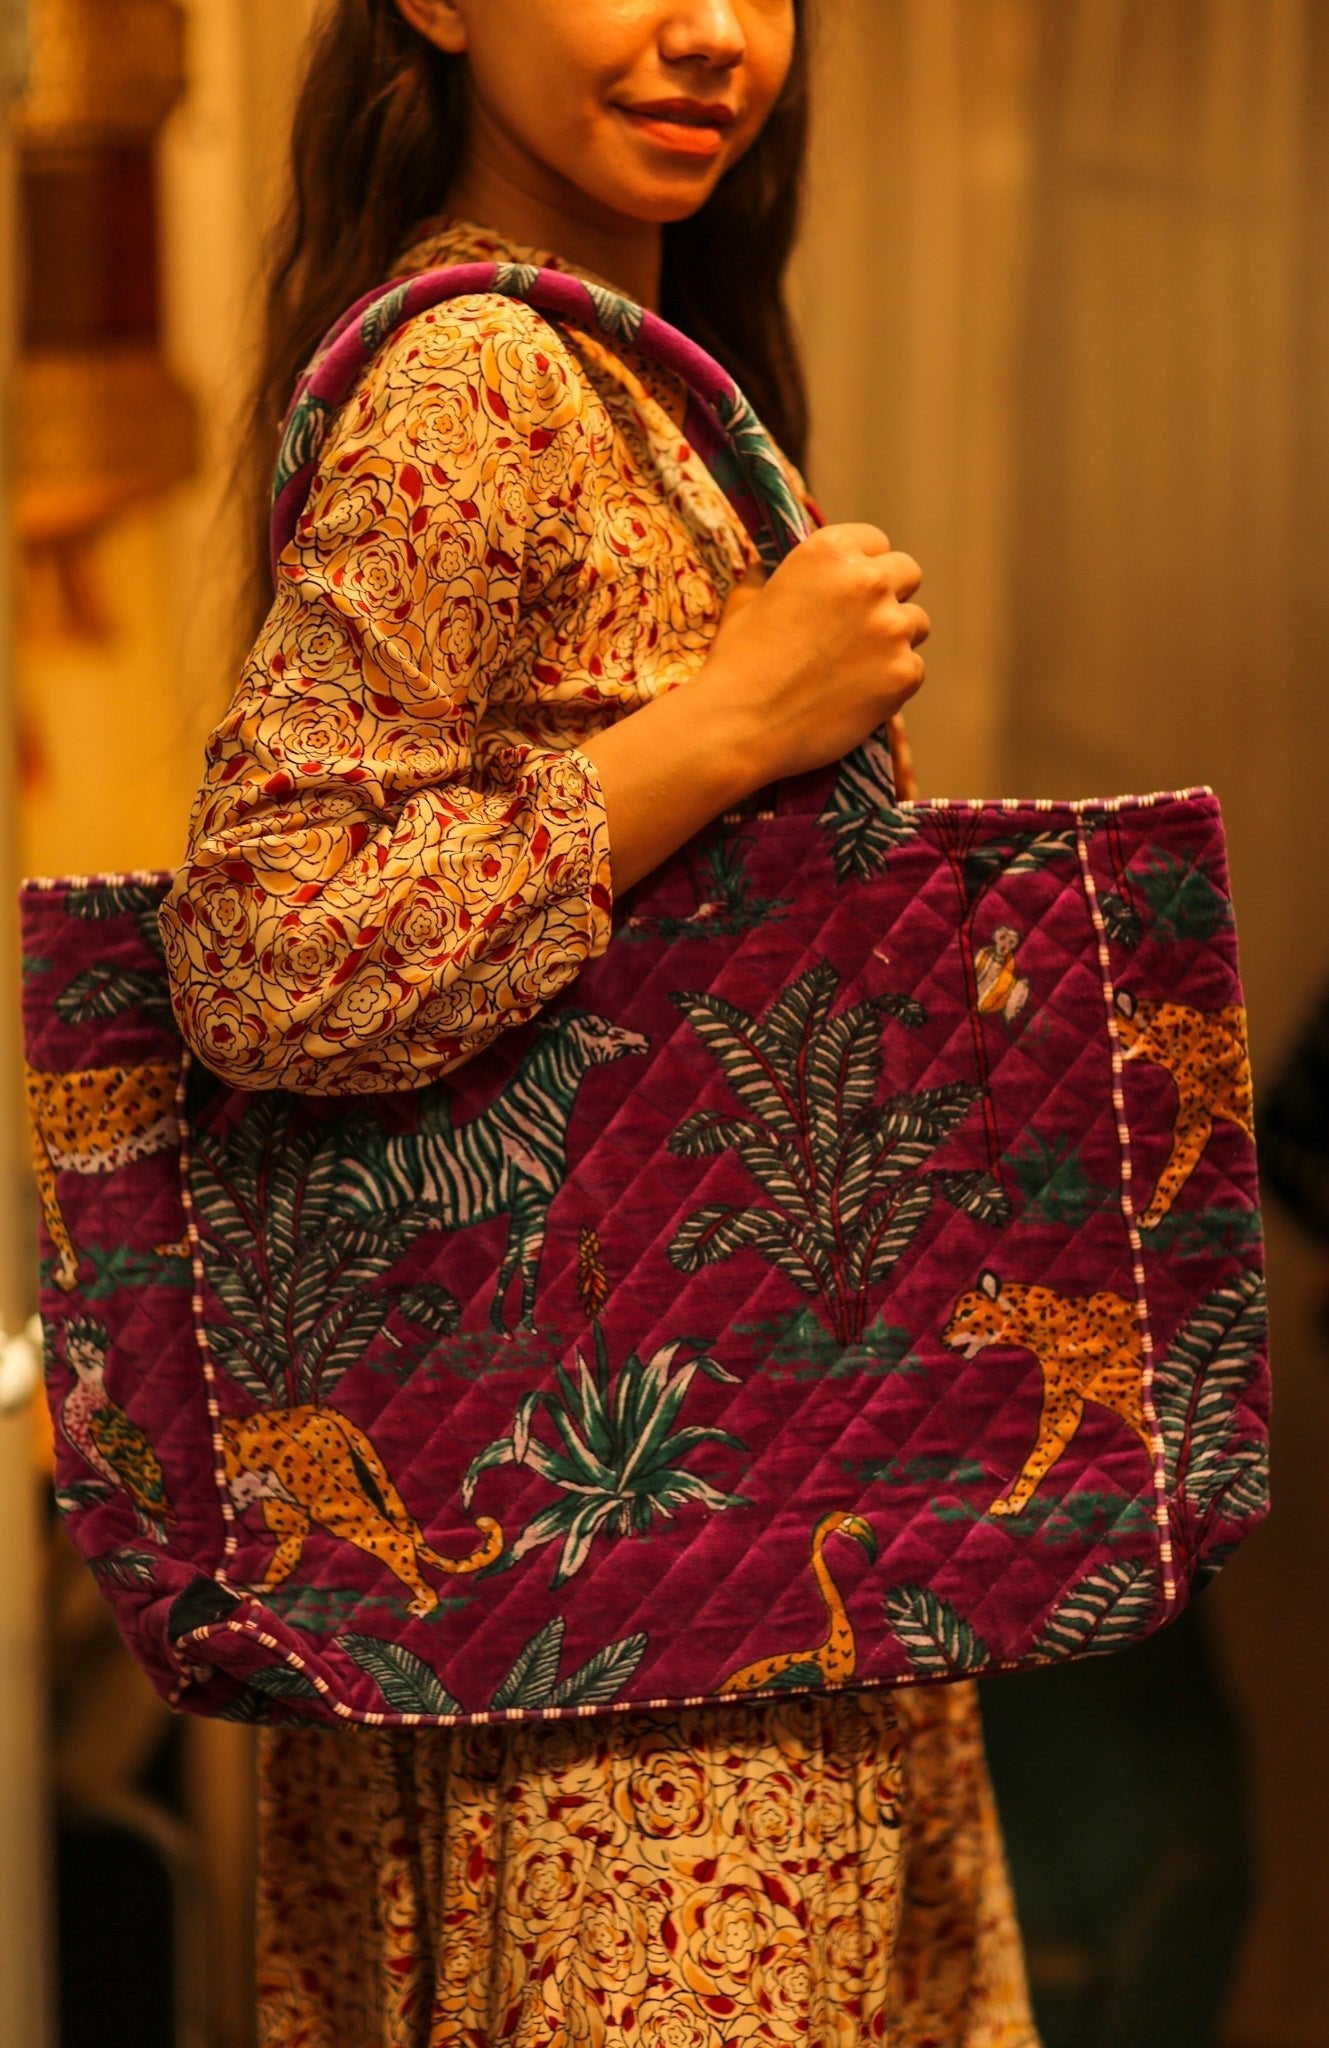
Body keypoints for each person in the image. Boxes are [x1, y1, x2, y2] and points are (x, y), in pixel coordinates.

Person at [161, 1, 1040, 2039]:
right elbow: (263, 945)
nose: (712, 31)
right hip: (617, 1661)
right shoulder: (480, 376)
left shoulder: (623, 367)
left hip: (701, 1546)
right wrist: (729, 724)